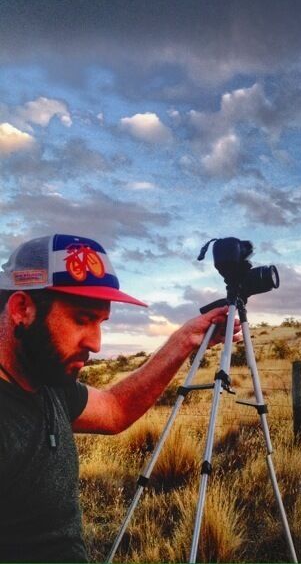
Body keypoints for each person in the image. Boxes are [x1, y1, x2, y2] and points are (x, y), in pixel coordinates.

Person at [0, 234, 232, 562]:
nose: (96, 344)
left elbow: (114, 410)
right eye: (81, 319)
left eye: (101, 322)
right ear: (22, 308)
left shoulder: (46, 382)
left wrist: (184, 341)